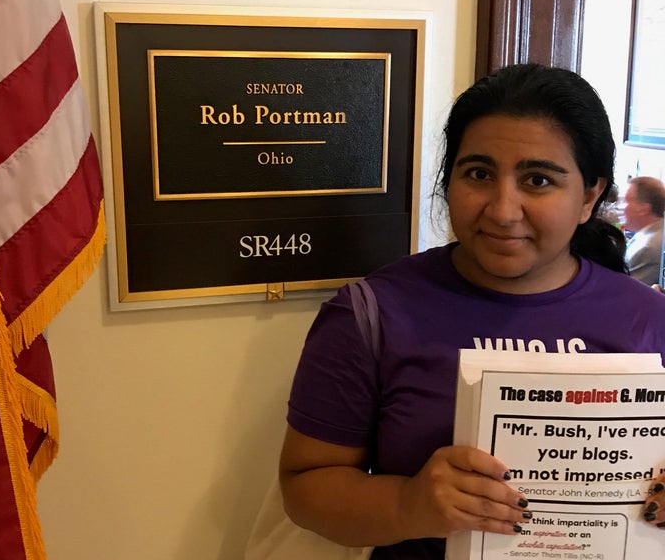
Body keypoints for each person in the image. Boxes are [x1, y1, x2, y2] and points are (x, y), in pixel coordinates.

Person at [278, 64, 665, 560]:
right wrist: (407, 503)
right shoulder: (370, 315)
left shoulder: (651, 321)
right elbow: (304, 487)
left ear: (589, 196)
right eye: (479, 174)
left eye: (539, 180)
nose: (503, 210)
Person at [622, 176, 665, 286]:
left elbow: (625, 293)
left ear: (643, 209)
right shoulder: (650, 234)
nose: (621, 207)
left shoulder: (648, 247)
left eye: (625, 201)